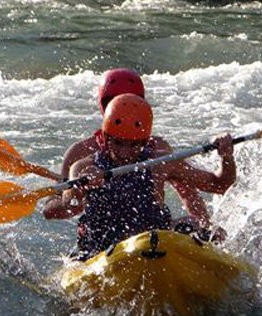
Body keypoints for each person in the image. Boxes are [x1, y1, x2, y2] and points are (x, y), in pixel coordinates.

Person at [44, 93, 236, 259]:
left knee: (204, 228)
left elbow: (219, 185)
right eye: (118, 143)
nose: (125, 152)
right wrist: (81, 187)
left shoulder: (161, 164)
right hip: (103, 249)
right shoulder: (83, 167)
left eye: (134, 144)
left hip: (154, 240)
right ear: (104, 137)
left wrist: (226, 157)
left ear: (146, 140)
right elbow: (64, 206)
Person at [43, 68, 219, 237]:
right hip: (103, 234)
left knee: (191, 223)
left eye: (133, 99)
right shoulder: (80, 153)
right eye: (113, 100)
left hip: (149, 229)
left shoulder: (158, 148)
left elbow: (187, 193)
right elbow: (54, 210)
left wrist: (206, 227)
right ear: (104, 105)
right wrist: (77, 193)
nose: (125, 107)